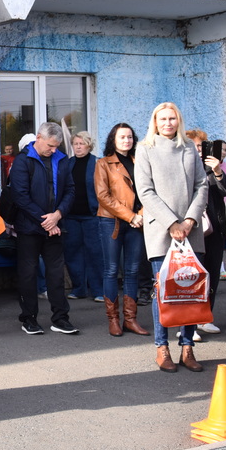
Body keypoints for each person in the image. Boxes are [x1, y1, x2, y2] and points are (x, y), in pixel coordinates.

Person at [134, 102, 207, 374]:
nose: (168, 123)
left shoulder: (188, 147)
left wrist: (189, 220)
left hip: (190, 229)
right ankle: (162, 347)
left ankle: (187, 347)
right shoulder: (145, 148)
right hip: (162, 230)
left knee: (191, 290)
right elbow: (145, 191)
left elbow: (201, 185)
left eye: (172, 118)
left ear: (179, 121)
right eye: (163, 119)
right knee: (163, 291)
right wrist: (172, 223)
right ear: (155, 122)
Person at [9, 122, 78, 336]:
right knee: (28, 275)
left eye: (57, 146)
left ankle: (61, 318)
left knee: (56, 275)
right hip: (29, 228)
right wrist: (46, 221)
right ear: (38, 138)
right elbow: (20, 196)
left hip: (55, 226)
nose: (54, 150)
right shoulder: (23, 160)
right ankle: (29, 318)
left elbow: (70, 191)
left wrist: (57, 215)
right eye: (50, 145)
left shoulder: (62, 159)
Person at [93, 123, 150, 337]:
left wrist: (140, 215)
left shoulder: (140, 161)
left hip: (137, 221)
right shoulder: (103, 163)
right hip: (112, 221)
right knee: (111, 270)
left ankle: (130, 320)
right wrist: (130, 216)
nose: (126, 140)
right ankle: (113, 320)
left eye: (129, 137)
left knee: (133, 271)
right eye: (122, 137)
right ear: (113, 140)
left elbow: (148, 191)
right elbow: (103, 196)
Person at [184, 128, 226, 340]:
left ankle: (205, 317)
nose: (200, 151)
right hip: (191, 228)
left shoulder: (213, 168)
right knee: (191, 276)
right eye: (196, 146)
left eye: (202, 147)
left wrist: (217, 171)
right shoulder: (185, 167)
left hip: (215, 227)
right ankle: (188, 324)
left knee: (211, 274)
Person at [63, 131, 104, 303]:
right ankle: (79, 288)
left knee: (95, 253)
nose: (78, 147)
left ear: (89, 145)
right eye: (76, 144)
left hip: (92, 216)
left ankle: (99, 290)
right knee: (72, 253)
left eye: (82, 144)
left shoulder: (98, 163)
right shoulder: (68, 163)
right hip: (71, 217)